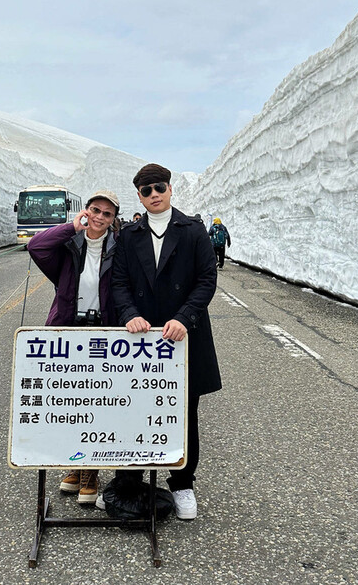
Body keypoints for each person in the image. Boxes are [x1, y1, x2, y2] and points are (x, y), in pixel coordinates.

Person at [110, 163, 221, 519]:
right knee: (133, 409)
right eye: (146, 190)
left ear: (170, 189)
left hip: (182, 337)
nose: (154, 195)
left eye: (159, 187)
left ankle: (182, 484)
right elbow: (119, 282)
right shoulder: (130, 234)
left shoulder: (192, 230)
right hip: (141, 341)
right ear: (139, 196)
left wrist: (184, 318)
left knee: (184, 414)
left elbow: (206, 278)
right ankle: (129, 484)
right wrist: (129, 314)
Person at [27, 189, 120, 504]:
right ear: (86, 211)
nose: (98, 217)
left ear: (113, 220)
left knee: (97, 401)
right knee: (69, 402)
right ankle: (74, 464)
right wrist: (71, 227)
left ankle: (90, 472)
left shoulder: (118, 251)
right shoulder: (68, 246)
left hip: (103, 332)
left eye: (107, 214)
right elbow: (35, 246)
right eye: (95, 210)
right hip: (68, 329)